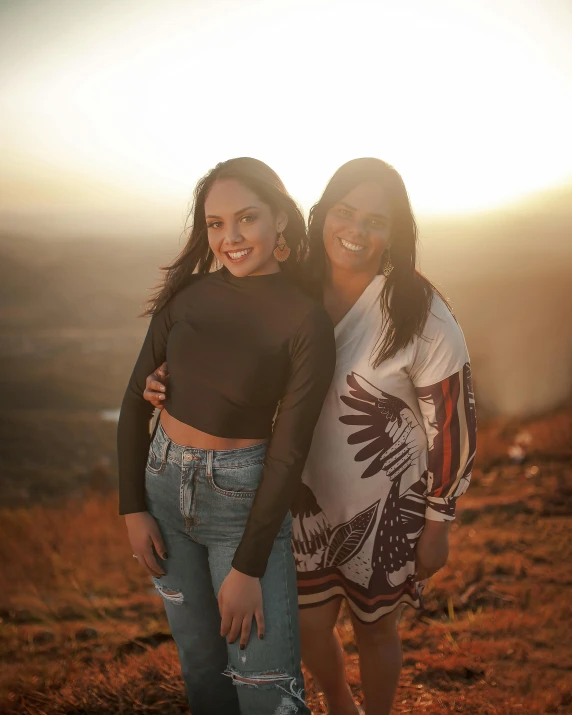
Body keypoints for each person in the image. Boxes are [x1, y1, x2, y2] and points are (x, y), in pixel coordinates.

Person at [143, 158, 477, 715]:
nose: (356, 229)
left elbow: (453, 423)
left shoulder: (421, 312)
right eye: (345, 212)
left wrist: (438, 522)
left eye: (376, 220)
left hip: (388, 510)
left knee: (376, 631)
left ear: (395, 232)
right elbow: (227, 350)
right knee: (309, 627)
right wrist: (168, 378)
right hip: (298, 499)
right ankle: (340, 703)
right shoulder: (290, 288)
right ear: (322, 214)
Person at [117, 157, 335, 715]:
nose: (230, 238)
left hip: (243, 504)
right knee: (202, 674)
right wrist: (132, 507)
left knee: (267, 691)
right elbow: (133, 398)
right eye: (216, 224)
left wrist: (248, 566)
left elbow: (289, 451)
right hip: (163, 488)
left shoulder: (304, 320)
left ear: (280, 220)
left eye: (247, 219)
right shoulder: (185, 298)